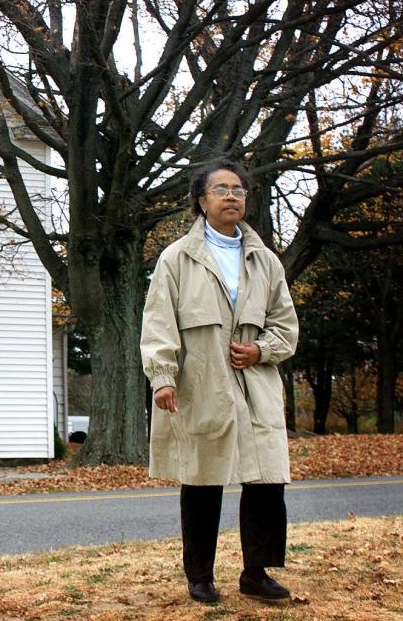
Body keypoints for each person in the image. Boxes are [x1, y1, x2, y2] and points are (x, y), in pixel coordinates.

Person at [140, 160, 299, 604]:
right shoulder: (176, 259)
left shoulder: (265, 261)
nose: (232, 196)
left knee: (266, 479)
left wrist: (261, 351)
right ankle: (201, 576)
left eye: (239, 190)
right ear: (201, 200)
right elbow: (158, 326)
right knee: (202, 479)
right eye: (221, 189)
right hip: (201, 383)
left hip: (257, 386)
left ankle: (256, 573)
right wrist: (164, 377)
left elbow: (286, 326)